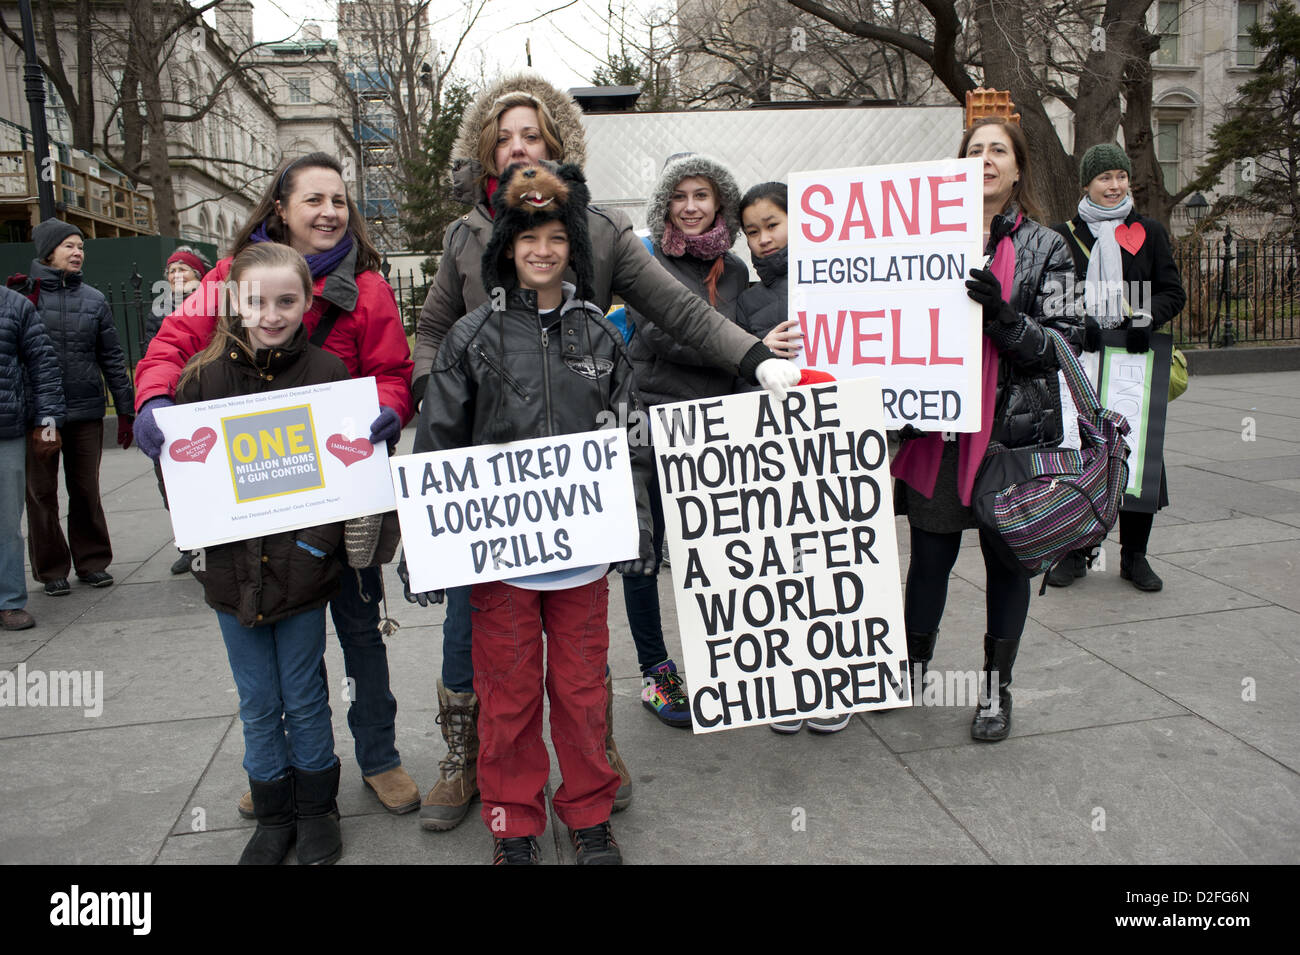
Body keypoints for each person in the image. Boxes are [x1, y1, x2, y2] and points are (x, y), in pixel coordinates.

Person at [408, 72, 799, 829]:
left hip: (577, 477)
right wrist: (441, 392)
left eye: (532, 134)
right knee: (480, 626)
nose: (518, 145)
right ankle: (468, 757)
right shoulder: (464, 235)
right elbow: (431, 332)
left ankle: (595, 751)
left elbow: (681, 309)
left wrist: (754, 358)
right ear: (488, 150)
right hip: (488, 474)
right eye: (504, 136)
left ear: (555, 142)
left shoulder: (601, 232)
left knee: (581, 637)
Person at [131, 152, 420, 818]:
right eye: (313, 199)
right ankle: (282, 767)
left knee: (359, 628)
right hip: (254, 502)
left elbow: (393, 372)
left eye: (340, 201)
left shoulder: (368, 288)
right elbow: (171, 345)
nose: (329, 212)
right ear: (280, 208)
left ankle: (378, 754)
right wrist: (151, 397)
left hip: (341, 496)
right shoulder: (232, 280)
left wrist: (389, 406)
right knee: (275, 631)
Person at [412, 161, 654, 864]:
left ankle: (587, 813)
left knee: (581, 694)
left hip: (581, 563)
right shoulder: (469, 338)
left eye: (554, 237)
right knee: (508, 697)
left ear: (570, 246)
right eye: (528, 239)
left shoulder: (601, 337)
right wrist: (426, 548)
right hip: (500, 567)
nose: (542, 251)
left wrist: (637, 523)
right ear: (506, 250)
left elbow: (629, 438)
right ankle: (513, 822)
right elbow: (438, 445)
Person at [891, 118, 1079, 742]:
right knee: (930, 559)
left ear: (1019, 168)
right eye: (975, 150)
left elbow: (1066, 345)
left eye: (998, 149)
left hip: (1012, 440)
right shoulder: (924, 239)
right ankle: (910, 673)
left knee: (1007, 565)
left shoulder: (1049, 248)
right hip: (938, 433)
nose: (986, 158)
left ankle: (995, 694)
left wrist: (1003, 318)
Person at [177, 243, 349, 865]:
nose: (271, 313)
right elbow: (183, 479)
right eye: (257, 301)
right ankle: (273, 814)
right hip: (231, 571)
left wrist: (313, 546)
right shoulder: (203, 378)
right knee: (256, 699)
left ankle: (317, 808)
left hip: (302, 568)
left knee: (303, 692)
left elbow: (342, 482)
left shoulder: (328, 375)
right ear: (234, 303)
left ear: (307, 302)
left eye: (286, 300)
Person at [622, 154, 750, 729]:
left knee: (715, 551)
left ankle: (722, 659)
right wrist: (745, 345)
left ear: (720, 202)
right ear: (665, 205)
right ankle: (656, 671)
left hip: (716, 429)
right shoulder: (646, 261)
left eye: (702, 195)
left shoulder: (738, 271)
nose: (691, 206)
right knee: (644, 551)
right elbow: (660, 331)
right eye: (680, 196)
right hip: (650, 421)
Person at [1048, 144, 1186, 593]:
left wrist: (1145, 317)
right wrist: (1079, 317)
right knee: (1081, 453)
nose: (1114, 186)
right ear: (1086, 184)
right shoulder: (1063, 235)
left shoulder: (1148, 231)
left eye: (1120, 177)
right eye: (1104, 178)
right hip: (1081, 361)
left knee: (1136, 454)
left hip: (1133, 359)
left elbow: (1171, 290)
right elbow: (1052, 296)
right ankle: (1075, 552)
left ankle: (1134, 556)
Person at [22, 219, 135, 598]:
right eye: (69, 246)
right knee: (41, 493)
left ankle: (92, 562)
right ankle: (50, 569)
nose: (77, 253)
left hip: (86, 411)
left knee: (86, 489)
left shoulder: (95, 299)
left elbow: (112, 357)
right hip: (41, 416)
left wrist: (125, 410)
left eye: (81, 247)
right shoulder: (24, 297)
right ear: (48, 251)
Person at [0, 285, 65, 631]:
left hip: (5, 429)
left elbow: (44, 365)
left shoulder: (14, 305)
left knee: (5, 523)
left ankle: (8, 601)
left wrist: (47, 422)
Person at [149, 246, 213, 576]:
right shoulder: (158, 310)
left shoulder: (213, 304)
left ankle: (216, 539)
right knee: (174, 480)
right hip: (173, 401)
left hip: (205, 400)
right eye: (172, 270)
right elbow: (155, 351)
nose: (177, 276)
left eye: (183, 270)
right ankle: (190, 545)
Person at [735, 181, 801, 362]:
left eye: (772, 225)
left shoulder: (835, 280)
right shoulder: (746, 302)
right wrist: (761, 355)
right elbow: (743, 384)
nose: (763, 239)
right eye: (753, 232)